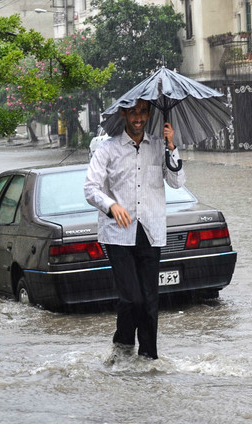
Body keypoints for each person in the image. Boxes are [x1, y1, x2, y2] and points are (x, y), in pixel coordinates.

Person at [84, 98, 186, 360]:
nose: (138, 117)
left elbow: (176, 181)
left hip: (151, 231)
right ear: (124, 115)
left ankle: (149, 358)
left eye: (142, 112)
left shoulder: (158, 146)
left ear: (149, 114)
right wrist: (111, 206)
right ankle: (123, 346)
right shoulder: (108, 149)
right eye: (133, 112)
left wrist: (172, 146)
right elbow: (90, 188)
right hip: (118, 234)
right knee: (132, 299)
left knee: (151, 302)